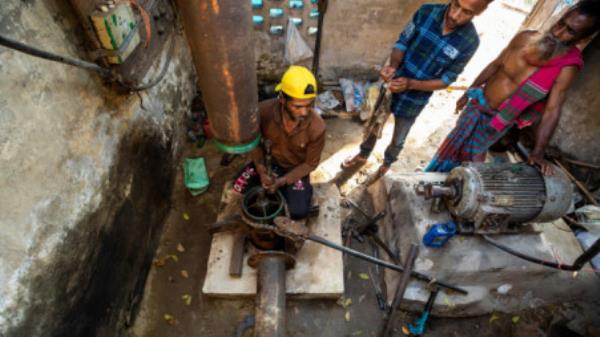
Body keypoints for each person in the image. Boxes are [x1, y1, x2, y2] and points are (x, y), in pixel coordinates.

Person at [426, 0, 600, 175]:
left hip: (497, 121)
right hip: (477, 103)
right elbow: (495, 65)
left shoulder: (567, 67)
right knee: (451, 147)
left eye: (570, 31)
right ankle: (432, 178)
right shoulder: (525, 38)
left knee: (469, 162)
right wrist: (469, 91)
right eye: (561, 23)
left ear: (583, 39)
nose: (557, 32)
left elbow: (552, 110)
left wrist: (538, 152)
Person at [342, 0, 492, 179]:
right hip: (391, 86)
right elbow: (402, 42)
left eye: (466, 12)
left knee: (399, 138)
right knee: (374, 124)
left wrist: (411, 84)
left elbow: (446, 80)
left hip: (415, 99)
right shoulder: (426, 11)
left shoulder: (470, 42)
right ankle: (363, 154)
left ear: (480, 12)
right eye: (456, 5)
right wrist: (392, 67)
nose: (455, 15)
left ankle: (387, 163)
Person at [233, 66, 326, 220]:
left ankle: (286, 191)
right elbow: (254, 143)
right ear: (282, 99)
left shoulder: (317, 127)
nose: (304, 112)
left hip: (295, 169)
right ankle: (274, 188)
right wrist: (262, 171)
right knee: (238, 188)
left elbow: (310, 164)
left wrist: (283, 181)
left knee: (298, 212)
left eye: (309, 105)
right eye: (297, 106)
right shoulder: (263, 112)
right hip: (270, 164)